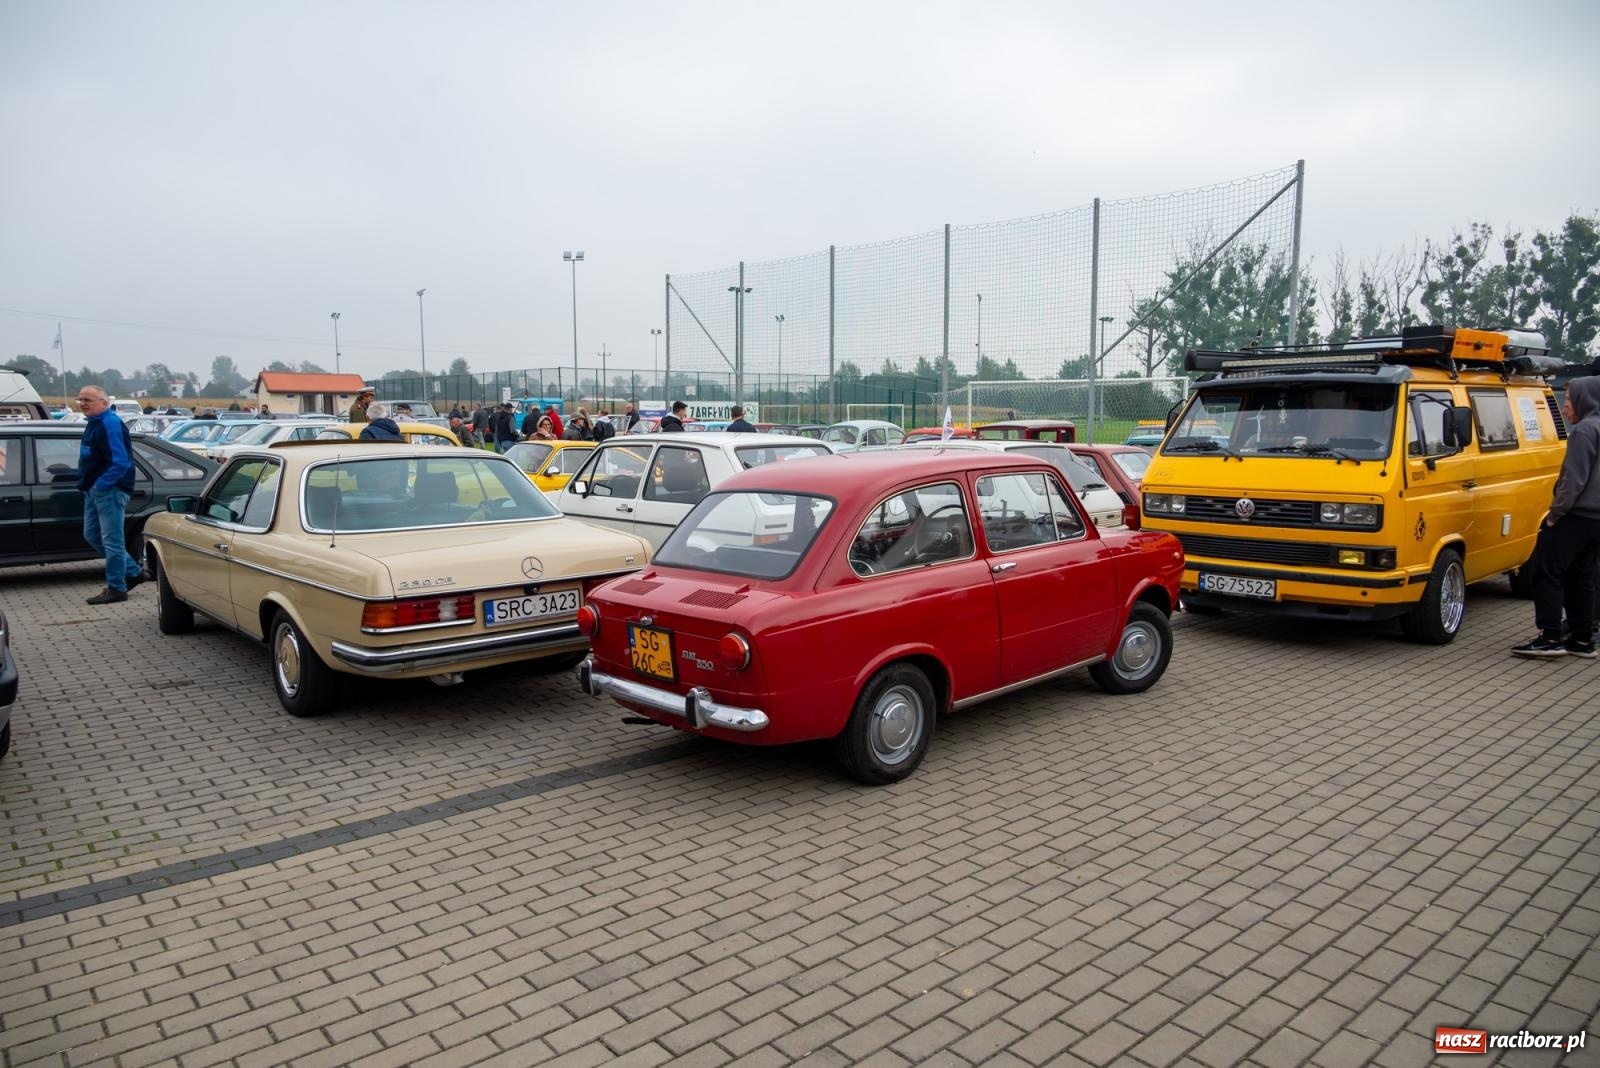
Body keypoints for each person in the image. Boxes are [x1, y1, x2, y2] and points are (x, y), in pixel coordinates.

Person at [1513, 378, 1600, 659]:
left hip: (1575, 515)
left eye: (1569, 400)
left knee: (1546, 572)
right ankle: (1582, 639)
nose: (1564, 407)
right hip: (1595, 521)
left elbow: (1573, 480)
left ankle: (1550, 637)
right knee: (1581, 577)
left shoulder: (1584, 431)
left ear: (1585, 399)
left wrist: (1554, 515)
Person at [74, 386, 145, 605]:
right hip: (94, 490)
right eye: (80, 400)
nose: (83, 403)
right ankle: (134, 572)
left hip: (110, 491)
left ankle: (117, 588)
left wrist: (101, 485)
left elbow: (121, 462)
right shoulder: (94, 423)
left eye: (88, 400)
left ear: (104, 403)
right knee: (92, 535)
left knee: (112, 541)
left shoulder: (110, 423)